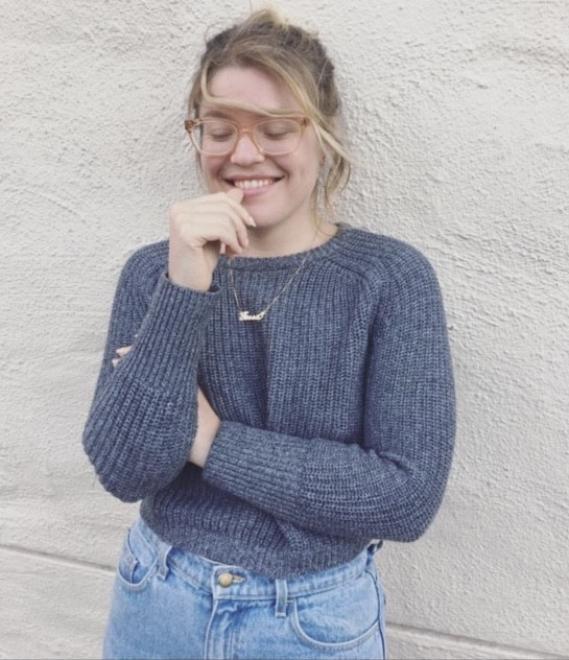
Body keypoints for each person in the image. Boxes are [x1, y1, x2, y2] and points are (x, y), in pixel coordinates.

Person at [82, 7, 456, 660]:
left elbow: (403, 498)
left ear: (323, 136)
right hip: (158, 597)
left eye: (276, 129)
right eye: (219, 130)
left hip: (313, 618)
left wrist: (209, 440)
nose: (244, 154)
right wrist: (184, 287)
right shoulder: (155, 273)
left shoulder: (387, 279)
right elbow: (124, 470)